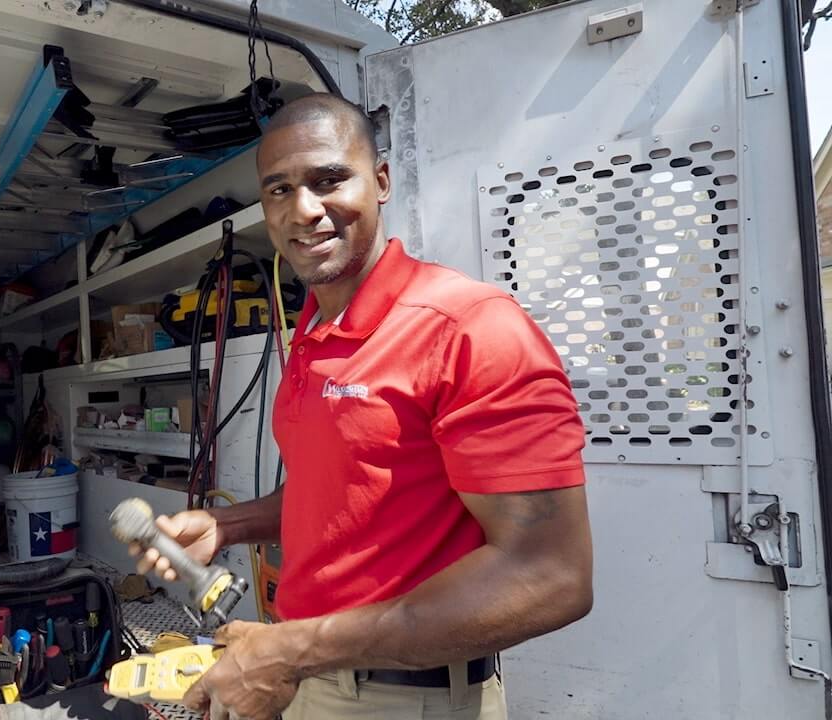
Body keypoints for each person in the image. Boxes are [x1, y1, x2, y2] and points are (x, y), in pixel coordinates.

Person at [129, 93, 593, 720]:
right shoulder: (315, 333)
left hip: (403, 696)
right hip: (307, 678)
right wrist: (228, 527)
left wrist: (290, 652)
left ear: (380, 182)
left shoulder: (470, 328)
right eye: (279, 189)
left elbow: (550, 576)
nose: (305, 210)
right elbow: (342, 492)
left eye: (328, 179)